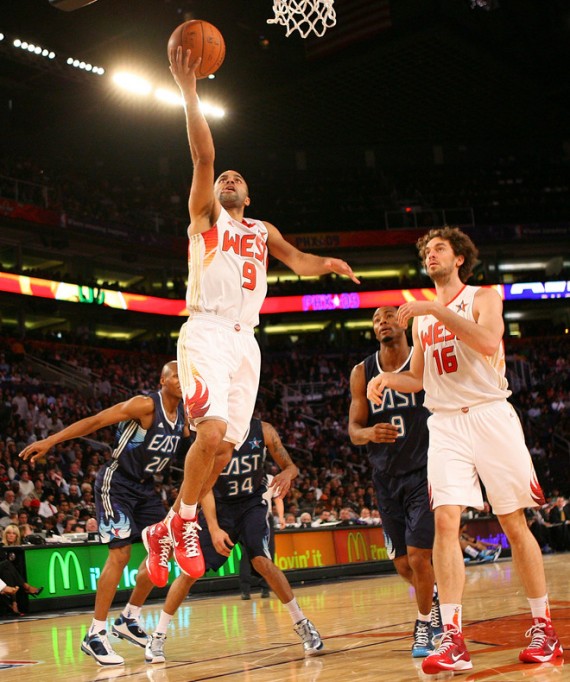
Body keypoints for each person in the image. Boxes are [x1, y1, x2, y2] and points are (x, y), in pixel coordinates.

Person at [143, 46, 359, 584]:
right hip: (208, 331)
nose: (228, 179)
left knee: (224, 449)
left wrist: (325, 265)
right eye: (223, 179)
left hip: (248, 342)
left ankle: (166, 525)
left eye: (237, 178)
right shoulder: (206, 216)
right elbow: (203, 157)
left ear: (250, 192)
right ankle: (186, 521)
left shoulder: (262, 231)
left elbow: (298, 260)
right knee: (211, 429)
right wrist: (189, 91)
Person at [367, 226, 562, 673]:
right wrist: (386, 379)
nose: (430, 255)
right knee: (445, 522)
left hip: (491, 414)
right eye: (426, 251)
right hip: (446, 423)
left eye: (439, 249)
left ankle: (544, 629)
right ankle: (452, 637)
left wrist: (435, 309)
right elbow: (418, 377)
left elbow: (489, 342)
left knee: (514, 523)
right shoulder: (421, 318)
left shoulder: (483, 297)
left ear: (459, 259)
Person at [19, 361, 189, 666]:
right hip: (117, 482)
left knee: (161, 549)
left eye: (184, 375)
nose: (181, 379)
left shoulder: (184, 416)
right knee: (120, 555)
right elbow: (96, 421)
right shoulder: (145, 404)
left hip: (146, 487)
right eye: (175, 374)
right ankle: (95, 634)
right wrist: (51, 441)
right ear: (162, 380)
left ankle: (128, 619)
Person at [144, 418, 324, 664]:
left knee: (262, 561)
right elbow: (202, 486)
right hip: (218, 506)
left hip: (252, 503)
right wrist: (215, 527)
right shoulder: (212, 432)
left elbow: (291, 466)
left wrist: (286, 473)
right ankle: (158, 635)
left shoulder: (264, 430)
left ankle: (303, 624)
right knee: (190, 572)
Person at [349, 306, 440, 658]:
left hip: (425, 470)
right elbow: (354, 431)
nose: (382, 322)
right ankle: (434, 604)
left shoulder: (423, 359)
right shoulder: (362, 371)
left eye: (388, 315)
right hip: (385, 477)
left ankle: (424, 625)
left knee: (419, 557)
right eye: (376, 319)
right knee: (403, 564)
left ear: (403, 322)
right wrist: (369, 431)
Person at [239, 472, 284, 600]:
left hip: (265, 516)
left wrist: (280, 517)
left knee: (268, 552)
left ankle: (265, 587)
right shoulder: (242, 476)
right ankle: (245, 590)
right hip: (247, 516)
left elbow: (278, 498)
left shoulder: (270, 478)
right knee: (247, 554)